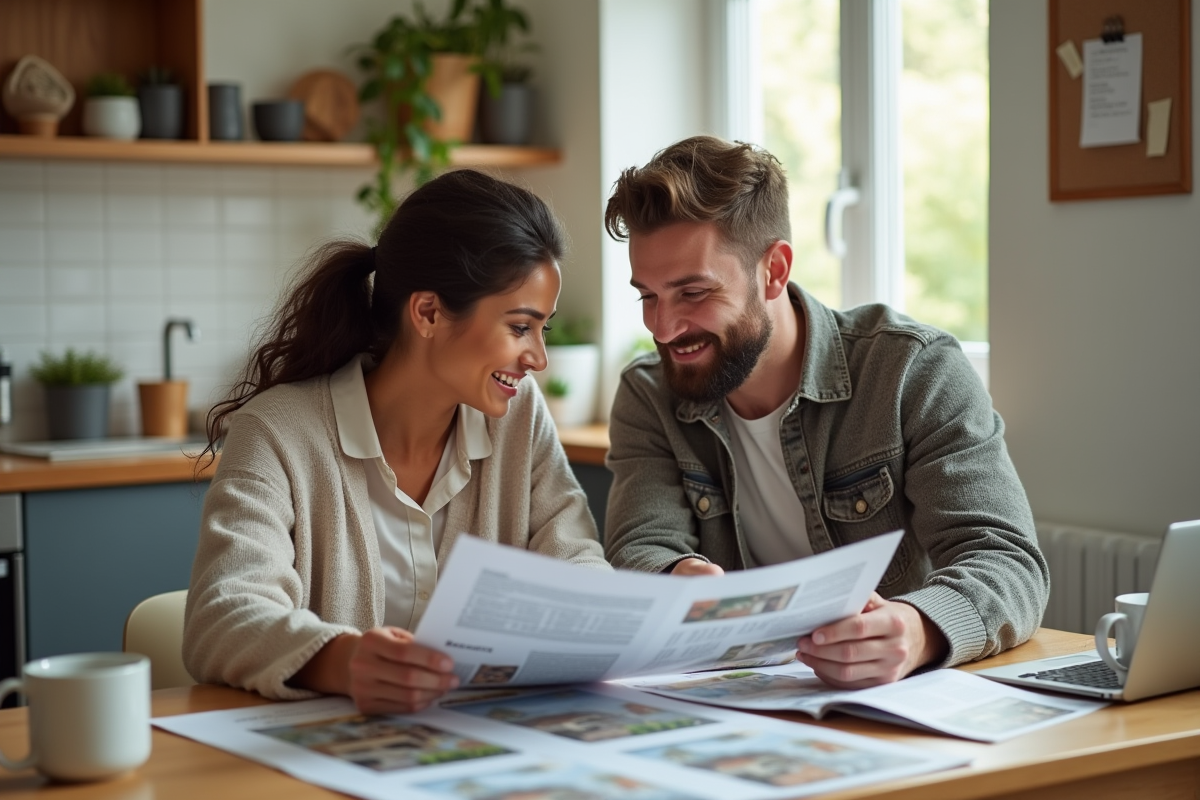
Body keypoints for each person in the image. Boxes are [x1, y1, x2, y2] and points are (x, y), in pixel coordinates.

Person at [602, 136, 1048, 688]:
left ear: (774, 270)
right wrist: (675, 577)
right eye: (647, 296)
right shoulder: (649, 394)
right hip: (739, 700)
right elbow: (641, 546)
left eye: (693, 293)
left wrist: (917, 630)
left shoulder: (913, 370)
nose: (663, 329)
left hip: (895, 699)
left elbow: (1006, 560)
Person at [184, 169, 609, 713]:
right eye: (519, 327)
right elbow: (220, 618)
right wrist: (342, 660)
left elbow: (576, 561)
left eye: (542, 330)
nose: (538, 359)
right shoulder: (277, 432)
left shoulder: (518, 418)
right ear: (428, 313)